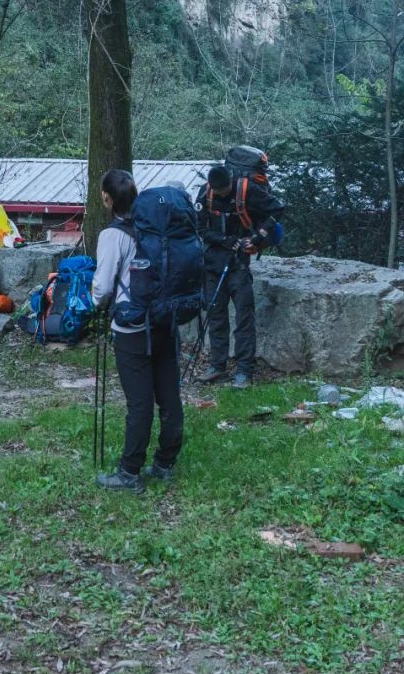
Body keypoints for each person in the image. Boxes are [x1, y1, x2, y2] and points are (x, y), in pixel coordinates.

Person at [91, 169, 183, 494]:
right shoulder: (157, 227)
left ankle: (129, 473)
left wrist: (95, 301)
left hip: (132, 327)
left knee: (140, 402)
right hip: (165, 321)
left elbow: (102, 288)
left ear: (107, 198)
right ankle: (164, 463)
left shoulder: (112, 235)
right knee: (169, 395)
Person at [194, 163, 285, 388]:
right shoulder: (205, 194)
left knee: (244, 315)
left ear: (231, 181)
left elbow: (277, 209)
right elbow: (199, 228)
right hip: (213, 262)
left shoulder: (247, 190)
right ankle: (217, 365)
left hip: (238, 263)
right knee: (216, 315)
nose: (222, 194)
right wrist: (221, 239)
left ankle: (244, 370)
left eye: (225, 190)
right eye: (219, 191)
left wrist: (257, 236)